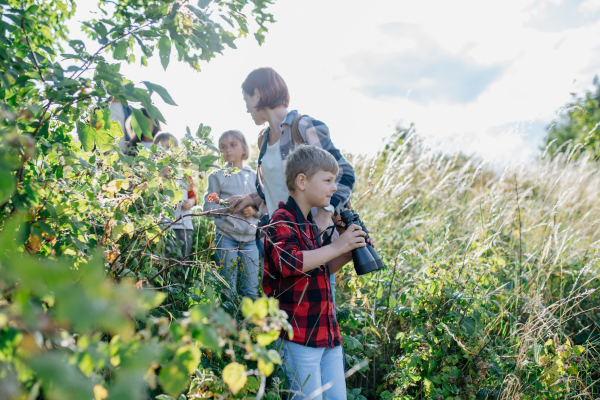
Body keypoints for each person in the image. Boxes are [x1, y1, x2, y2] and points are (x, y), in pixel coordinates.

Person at [226, 67, 357, 303]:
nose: (245, 107)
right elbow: (280, 187)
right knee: (279, 310)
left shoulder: (304, 127)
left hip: (311, 237)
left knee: (315, 309)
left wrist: (326, 214)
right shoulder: (263, 138)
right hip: (278, 238)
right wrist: (253, 199)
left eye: (246, 99)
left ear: (256, 94)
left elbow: (344, 173)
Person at [263, 145, 366, 399]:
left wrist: (346, 251)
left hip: (326, 333)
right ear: (302, 181)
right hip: (299, 337)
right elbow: (289, 263)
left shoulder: (309, 223)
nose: (334, 187)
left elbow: (317, 268)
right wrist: (336, 246)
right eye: (328, 180)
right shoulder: (281, 220)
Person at [203, 130, 261, 300]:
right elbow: (207, 207)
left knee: (250, 289)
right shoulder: (216, 175)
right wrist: (226, 208)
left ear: (244, 148)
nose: (228, 150)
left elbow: (266, 206)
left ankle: (250, 325)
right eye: (223, 147)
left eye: (233, 145)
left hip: (250, 239)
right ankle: (228, 325)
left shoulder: (254, 175)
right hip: (226, 237)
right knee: (227, 287)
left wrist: (255, 211)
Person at [154, 133, 197, 261]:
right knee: (165, 259)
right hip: (164, 226)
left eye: (168, 147)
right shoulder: (155, 177)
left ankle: (182, 280)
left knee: (183, 258)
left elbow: (193, 196)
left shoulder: (184, 175)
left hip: (184, 225)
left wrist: (191, 201)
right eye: (161, 148)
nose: (165, 151)